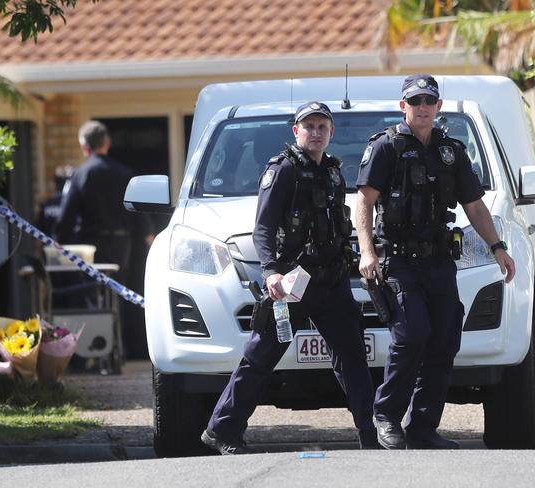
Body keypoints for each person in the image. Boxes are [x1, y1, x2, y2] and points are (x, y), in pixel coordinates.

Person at [202, 102, 377, 455]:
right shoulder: (282, 170)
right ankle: (222, 430)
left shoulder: (332, 171)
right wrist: (270, 271)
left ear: (331, 133)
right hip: (293, 281)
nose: (315, 132)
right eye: (308, 126)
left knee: (353, 356)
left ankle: (370, 436)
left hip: (331, 280)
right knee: (261, 356)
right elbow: (263, 227)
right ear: (295, 131)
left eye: (322, 127)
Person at [355, 75, 516, 450]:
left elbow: (474, 205)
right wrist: (367, 252)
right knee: (412, 335)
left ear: (439, 106)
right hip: (398, 261)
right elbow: (363, 203)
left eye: (429, 100)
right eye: (415, 101)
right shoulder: (386, 147)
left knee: (445, 338)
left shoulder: (451, 151)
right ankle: (387, 416)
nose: (423, 106)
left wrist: (498, 247)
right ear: (403, 107)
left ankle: (423, 427)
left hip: (439, 260)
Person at [54, 120, 153, 282]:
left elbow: (67, 215)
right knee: (117, 291)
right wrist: (149, 235)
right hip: (122, 245)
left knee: (92, 290)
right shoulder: (124, 173)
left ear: (84, 147)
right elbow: (138, 209)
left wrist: (59, 242)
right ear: (107, 143)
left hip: (91, 245)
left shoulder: (80, 174)